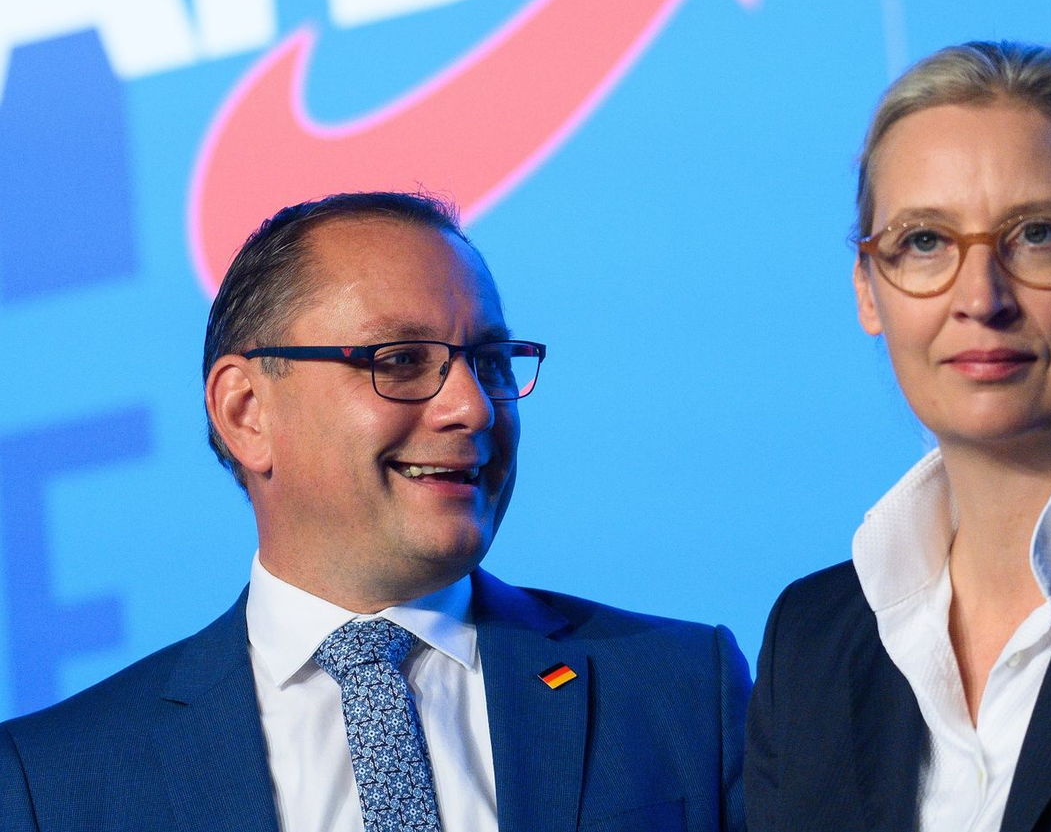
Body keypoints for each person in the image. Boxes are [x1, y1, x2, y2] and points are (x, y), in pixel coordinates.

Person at [2, 191, 749, 832]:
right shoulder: (56, 782)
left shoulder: (680, 691)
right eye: (399, 360)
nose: (469, 406)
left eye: (490, 360)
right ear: (246, 411)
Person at [746, 42, 1051, 831]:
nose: (981, 297)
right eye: (924, 241)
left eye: (1038, 235)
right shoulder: (809, 642)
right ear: (868, 289)